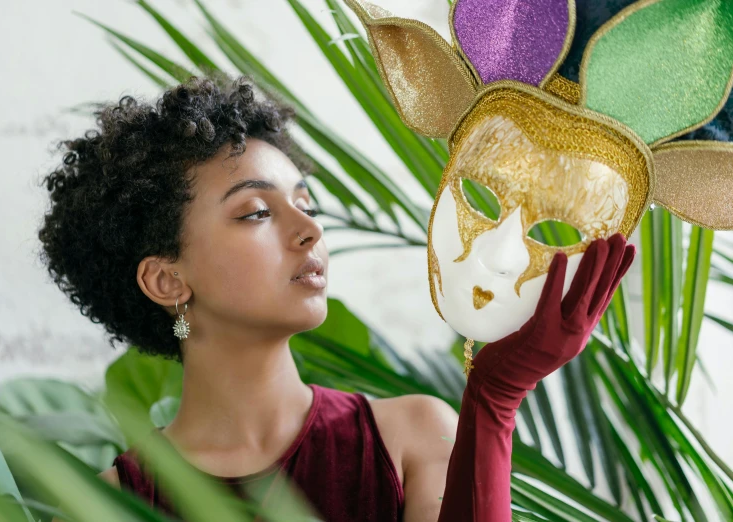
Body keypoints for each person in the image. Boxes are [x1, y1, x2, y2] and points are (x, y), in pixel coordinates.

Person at [40, 75, 632, 521]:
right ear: (166, 280)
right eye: (254, 212)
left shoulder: (412, 437)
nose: (310, 230)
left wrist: (496, 400)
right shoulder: (107, 504)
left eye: (306, 203)